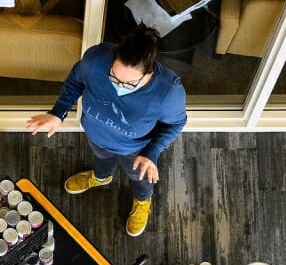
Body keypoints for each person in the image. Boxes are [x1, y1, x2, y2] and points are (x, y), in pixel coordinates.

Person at [26, 24, 188, 237]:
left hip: (135, 150)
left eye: (128, 84)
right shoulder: (96, 59)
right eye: (114, 76)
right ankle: (102, 178)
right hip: (96, 134)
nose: (118, 86)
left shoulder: (168, 93)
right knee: (102, 159)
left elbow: (175, 124)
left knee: (139, 179)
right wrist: (58, 112)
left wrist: (152, 152)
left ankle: (142, 200)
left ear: (148, 72)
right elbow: (76, 79)